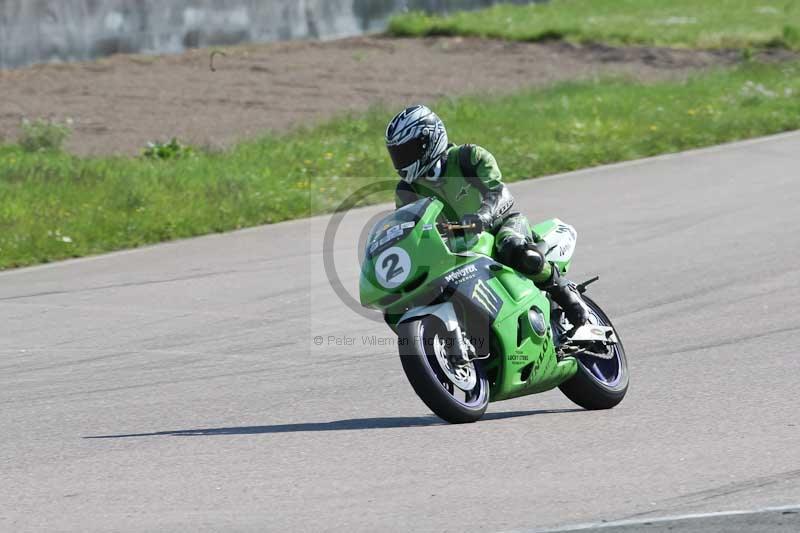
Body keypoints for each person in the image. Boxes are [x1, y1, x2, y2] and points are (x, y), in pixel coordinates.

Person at [385, 104, 589, 328]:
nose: (402, 161)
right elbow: (408, 228)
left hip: (499, 224)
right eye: (397, 155)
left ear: (429, 141)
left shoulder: (468, 157)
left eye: (407, 151)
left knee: (514, 248)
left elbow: (501, 193)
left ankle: (565, 293)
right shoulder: (407, 191)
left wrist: (481, 217)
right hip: (455, 245)